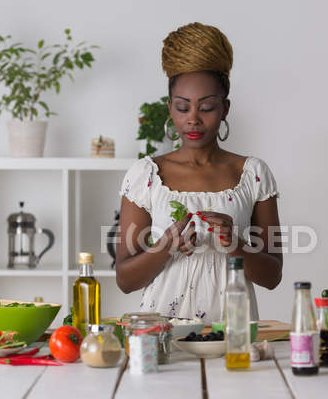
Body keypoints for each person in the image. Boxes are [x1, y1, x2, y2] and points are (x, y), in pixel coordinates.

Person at [115, 22, 282, 322]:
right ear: (170, 109)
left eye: (206, 108)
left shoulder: (253, 174)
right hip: (161, 335)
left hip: (235, 334)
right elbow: (125, 280)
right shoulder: (146, 175)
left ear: (225, 109)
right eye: (182, 107)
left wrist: (236, 245)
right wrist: (165, 248)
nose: (193, 119)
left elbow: (272, 276)